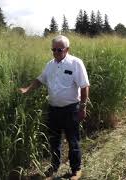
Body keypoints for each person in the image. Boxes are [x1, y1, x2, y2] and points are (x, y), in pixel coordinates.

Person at [19, 35, 90, 179]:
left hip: (71, 109)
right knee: (54, 140)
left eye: (59, 50)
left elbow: (84, 86)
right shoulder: (50, 64)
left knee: (73, 140)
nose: (56, 53)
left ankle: (76, 170)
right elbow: (40, 79)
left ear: (67, 49)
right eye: (54, 50)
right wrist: (28, 89)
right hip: (53, 109)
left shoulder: (76, 63)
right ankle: (54, 166)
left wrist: (83, 107)